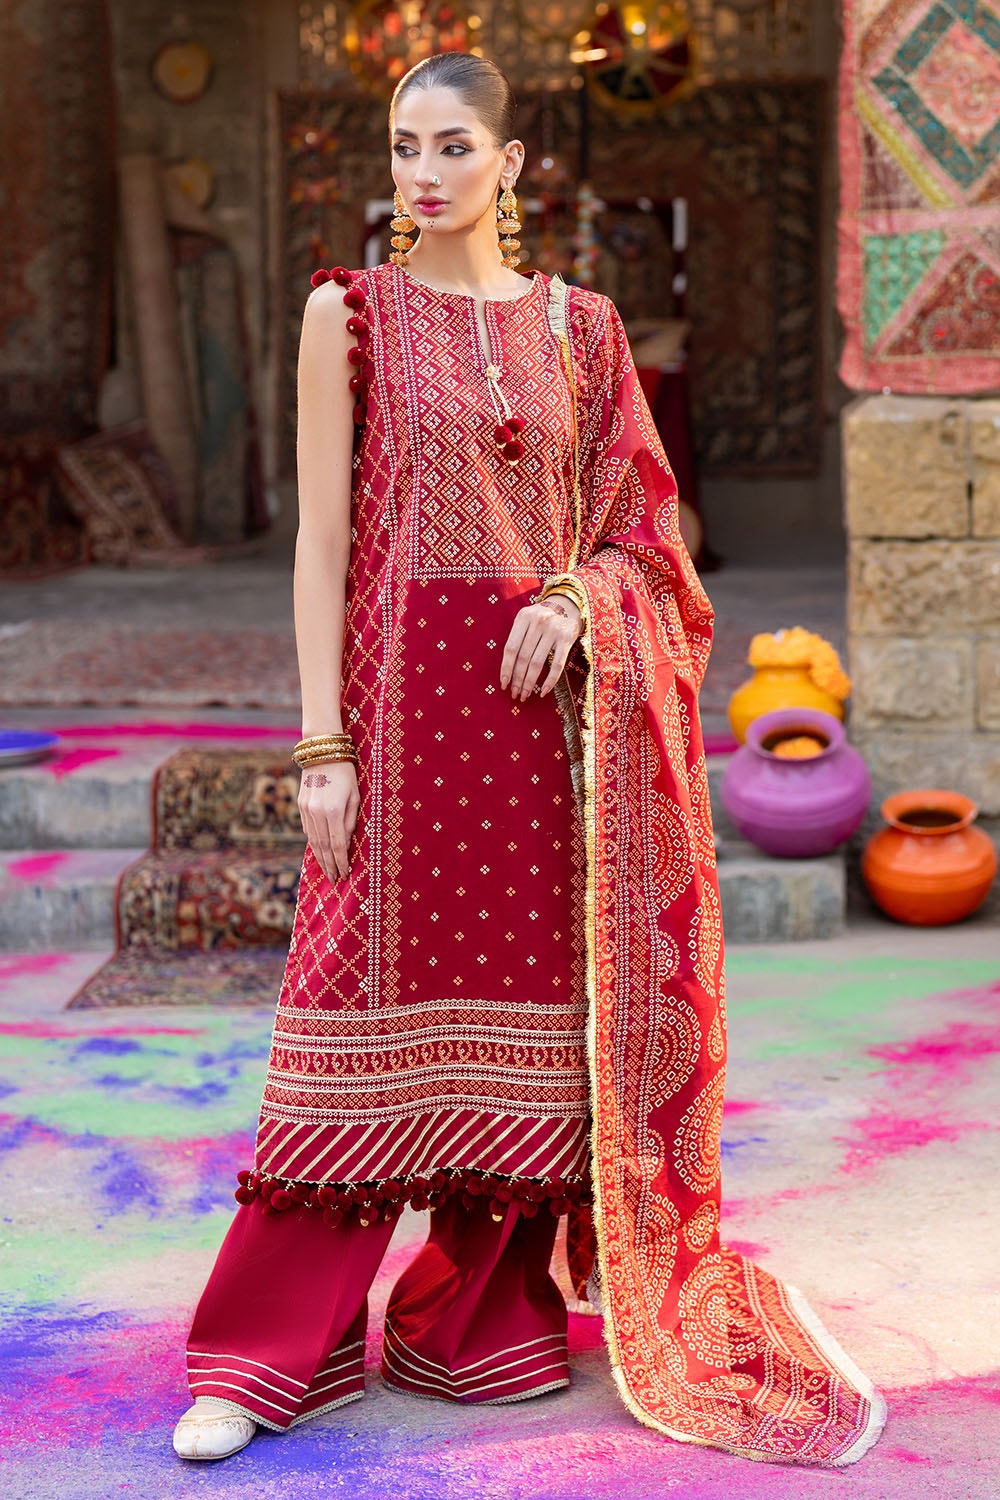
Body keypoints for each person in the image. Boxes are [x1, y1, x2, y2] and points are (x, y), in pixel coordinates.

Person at [172, 51, 885, 1466]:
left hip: (542, 736)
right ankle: (262, 1355)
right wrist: (320, 743)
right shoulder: (348, 314)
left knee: (527, 1034)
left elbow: (645, 535)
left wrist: (574, 599)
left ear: (508, 165)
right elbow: (321, 543)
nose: (422, 173)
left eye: (452, 146)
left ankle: (473, 1317)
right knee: (341, 1022)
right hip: (397, 720)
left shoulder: (585, 329)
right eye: (403, 146)